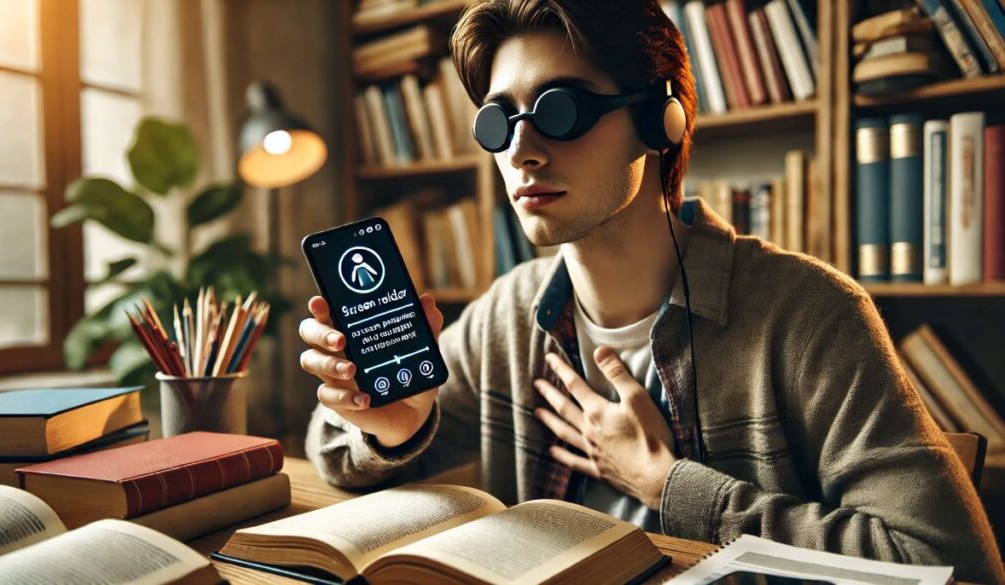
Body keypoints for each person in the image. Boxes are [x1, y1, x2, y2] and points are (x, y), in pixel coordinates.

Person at [299, 0, 1003, 580]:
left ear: (658, 121)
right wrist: (392, 425)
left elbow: (952, 566)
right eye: (497, 119)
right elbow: (334, 450)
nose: (520, 149)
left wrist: (671, 486)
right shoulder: (507, 315)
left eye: (560, 109)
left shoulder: (810, 315)